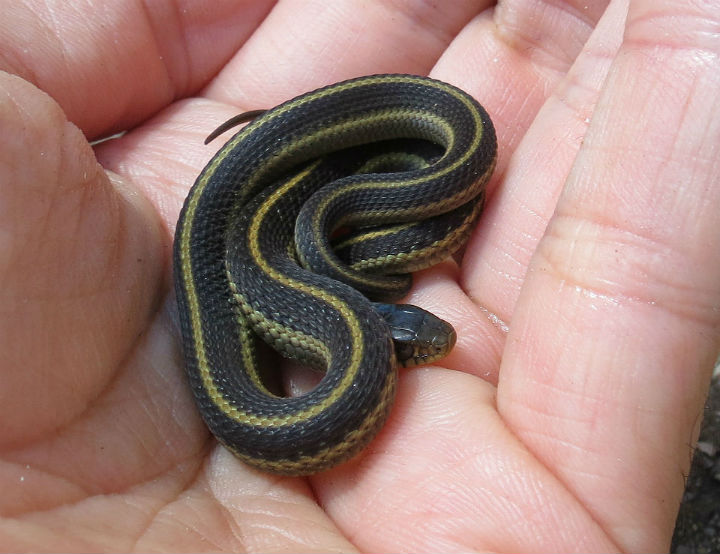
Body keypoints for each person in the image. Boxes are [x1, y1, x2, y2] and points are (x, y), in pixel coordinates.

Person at [1, 1, 717, 551]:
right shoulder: (294, 295)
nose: (425, 351)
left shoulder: (332, 250)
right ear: (384, 342)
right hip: (294, 288)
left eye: (408, 347)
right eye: (404, 351)